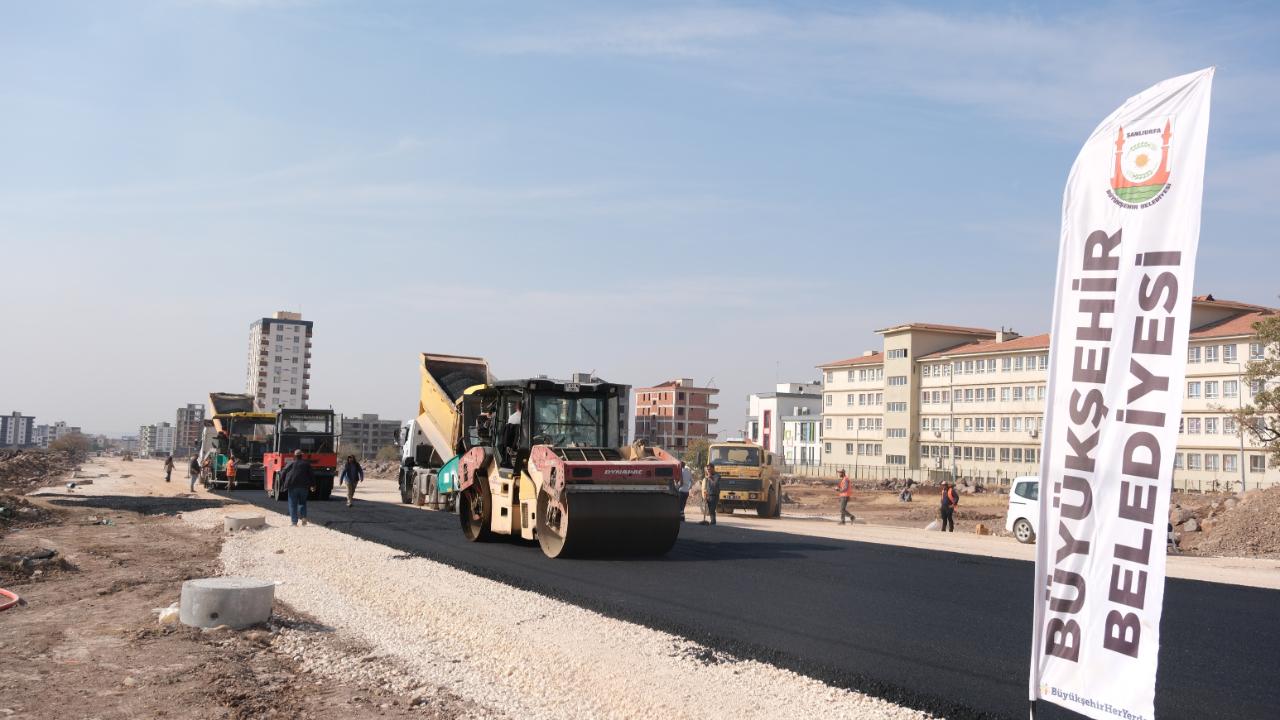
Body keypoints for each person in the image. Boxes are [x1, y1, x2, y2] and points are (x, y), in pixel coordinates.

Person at [281, 449, 315, 527]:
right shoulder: (306, 464)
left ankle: (294, 522)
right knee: (302, 503)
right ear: (301, 455)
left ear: (294, 456)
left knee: (293, 504)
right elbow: (311, 475)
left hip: (292, 486)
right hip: (304, 487)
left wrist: (284, 483)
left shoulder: (290, 463)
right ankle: (303, 518)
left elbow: (283, 473)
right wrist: (313, 485)